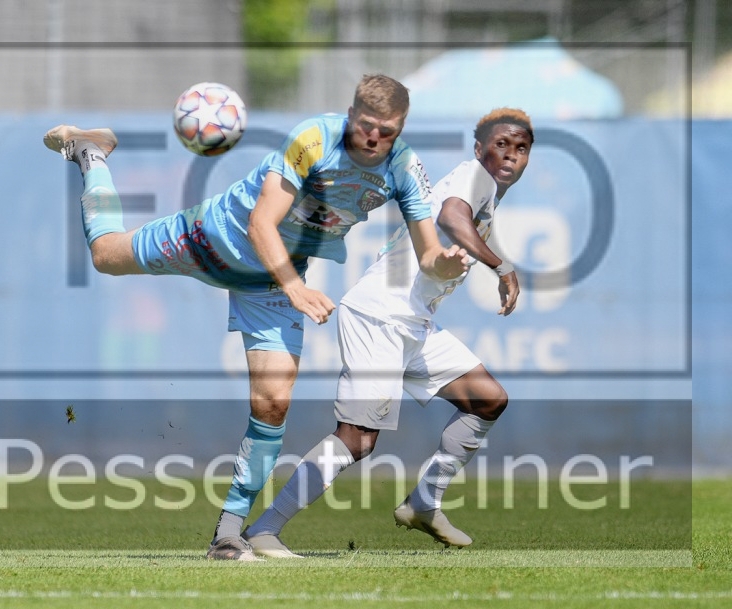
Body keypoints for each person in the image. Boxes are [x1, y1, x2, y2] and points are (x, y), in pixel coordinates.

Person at [43, 74, 469, 561]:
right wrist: (295, 287)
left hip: (268, 286)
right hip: (210, 239)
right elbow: (260, 222)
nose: (374, 138)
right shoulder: (314, 139)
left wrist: (443, 264)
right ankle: (91, 152)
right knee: (105, 255)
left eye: (386, 131)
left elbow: (428, 253)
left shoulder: (404, 168)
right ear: (351, 114)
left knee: (272, 403)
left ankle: (227, 534)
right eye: (366, 125)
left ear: (401, 128)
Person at [242, 108, 533, 558]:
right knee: (357, 439)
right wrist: (502, 267)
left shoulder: (486, 194)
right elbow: (452, 217)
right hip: (381, 316)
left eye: (521, 148)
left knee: (487, 400)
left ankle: (423, 504)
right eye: (501, 145)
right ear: (480, 150)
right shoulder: (474, 177)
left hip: (413, 321)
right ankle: (264, 530)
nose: (511, 155)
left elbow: (462, 223)